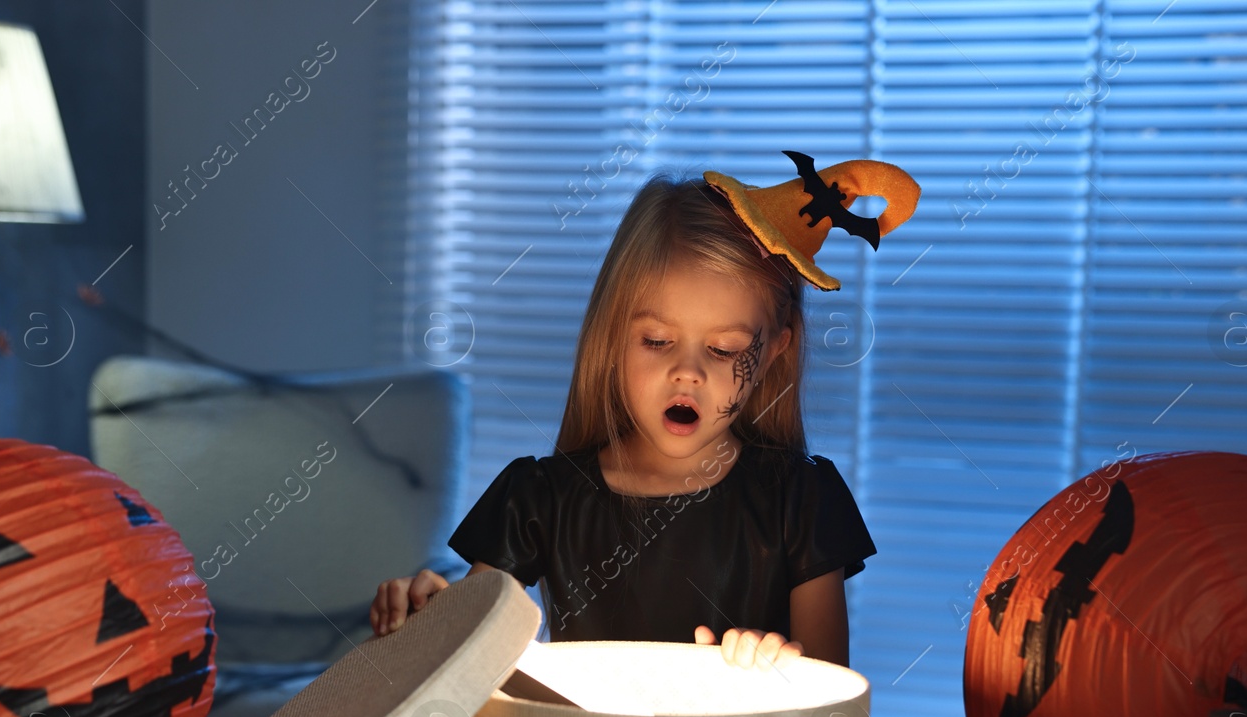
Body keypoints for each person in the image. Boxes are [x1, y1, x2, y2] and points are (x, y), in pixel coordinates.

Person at [371, 154, 920, 670]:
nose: (688, 373)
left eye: (724, 349)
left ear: (778, 346)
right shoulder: (538, 499)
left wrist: (777, 672)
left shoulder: (801, 501)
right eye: (657, 341)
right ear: (612, 336)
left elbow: (831, 699)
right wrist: (427, 623)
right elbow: (469, 654)